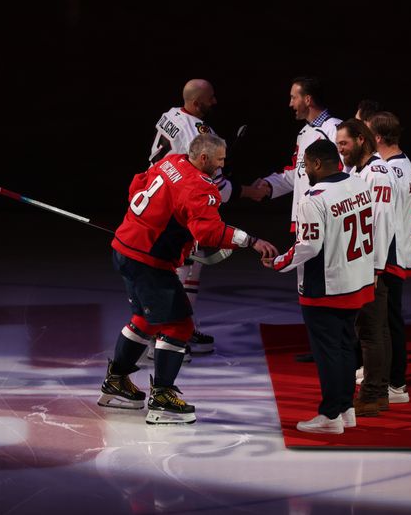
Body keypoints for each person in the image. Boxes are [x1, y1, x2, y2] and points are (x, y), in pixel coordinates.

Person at [101, 134, 278, 424]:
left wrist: (153, 225)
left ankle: (116, 383)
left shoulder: (171, 162)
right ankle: (162, 399)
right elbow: (209, 233)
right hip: (149, 261)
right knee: (180, 325)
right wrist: (250, 240)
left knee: (145, 319)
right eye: (220, 160)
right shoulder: (199, 186)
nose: (223, 166)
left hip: (125, 249)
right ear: (205, 158)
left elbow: (137, 187)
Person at [262, 140, 375, 434]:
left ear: (314, 164)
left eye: (306, 166)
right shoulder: (360, 184)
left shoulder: (313, 197)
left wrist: (278, 262)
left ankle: (330, 415)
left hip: (326, 285)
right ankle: (346, 409)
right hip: (356, 279)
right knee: (345, 345)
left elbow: (308, 245)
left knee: (327, 352)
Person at [148, 79, 254, 354]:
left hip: (160, 195)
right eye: (211, 98)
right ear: (197, 103)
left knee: (182, 268)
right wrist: (247, 191)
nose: (214, 102)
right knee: (182, 269)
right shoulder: (199, 132)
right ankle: (168, 336)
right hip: (178, 206)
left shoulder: (170, 114)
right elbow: (218, 187)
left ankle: (176, 331)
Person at [247, 76, 343, 363]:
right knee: (309, 286)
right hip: (305, 219)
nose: (290, 103)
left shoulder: (334, 129)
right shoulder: (305, 134)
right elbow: (295, 174)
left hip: (327, 220)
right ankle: (322, 345)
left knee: (328, 285)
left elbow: (346, 173)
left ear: (308, 99)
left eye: (293, 97)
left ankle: (335, 347)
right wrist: (267, 185)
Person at [335, 119, 397, 416]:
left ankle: (373, 394)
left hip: (369, 265)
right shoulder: (358, 170)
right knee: (371, 329)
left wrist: (374, 269)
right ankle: (377, 391)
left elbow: (383, 223)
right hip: (359, 262)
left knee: (371, 331)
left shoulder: (378, 173)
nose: (341, 150)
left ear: (361, 139)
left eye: (344, 144)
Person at [367, 111, 411, 404]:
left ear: (377, 137)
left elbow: (385, 218)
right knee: (387, 318)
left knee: (389, 319)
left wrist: (376, 261)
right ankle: (388, 375)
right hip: (400, 247)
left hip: (393, 251)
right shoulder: (401, 163)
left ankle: (397, 383)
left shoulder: (393, 172)